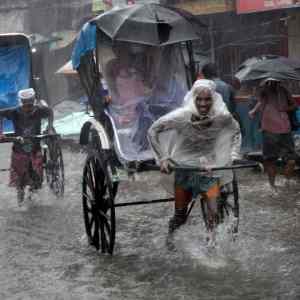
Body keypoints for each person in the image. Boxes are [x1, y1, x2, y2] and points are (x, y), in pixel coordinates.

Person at [148, 79, 241, 233]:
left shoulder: (222, 116)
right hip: (184, 170)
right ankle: (170, 239)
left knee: (214, 215)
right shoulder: (181, 116)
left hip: (209, 170)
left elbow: (236, 131)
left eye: (207, 99)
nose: (203, 104)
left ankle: (212, 251)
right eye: (199, 99)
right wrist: (163, 158)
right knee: (180, 217)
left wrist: (233, 155)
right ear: (193, 99)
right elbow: (153, 130)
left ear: (214, 99)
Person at [0, 88, 54, 206]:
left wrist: (50, 127)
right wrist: (1, 132)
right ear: (21, 103)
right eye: (25, 105)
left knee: (36, 178)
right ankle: (20, 202)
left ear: (34, 101)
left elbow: (50, 112)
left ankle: (31, 199)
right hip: (19, 149)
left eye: (30, 105)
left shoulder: (40, 111)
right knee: (19, 181)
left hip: (35, 148)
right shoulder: (14, 112)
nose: (28, 108)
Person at [248, 78, 297, 193]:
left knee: (291, 159)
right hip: (269, 129)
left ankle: (285, 181)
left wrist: (285, 108)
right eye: (271, 81)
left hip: (284, 129)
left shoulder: (284, 91)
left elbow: (294, 105)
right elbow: (260, 102)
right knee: (270, 159)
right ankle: (272, 186)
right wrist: (254, 111)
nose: (273, 83)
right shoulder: (264, 90)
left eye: (275, 81)